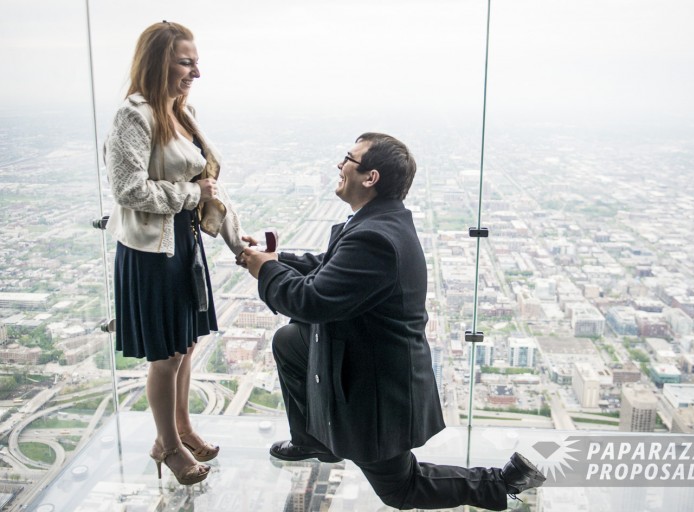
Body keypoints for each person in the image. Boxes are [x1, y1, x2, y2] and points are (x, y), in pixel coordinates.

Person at [239, 133, 545, 510]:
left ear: (370, 177)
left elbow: (313, 300)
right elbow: (328, 269)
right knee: (290, 340)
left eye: (348, 158)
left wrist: (266, 271)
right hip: (364, 355)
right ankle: (314, 441)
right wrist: (275, 259)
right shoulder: (376, 222)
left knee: (402, 489)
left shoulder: (375, 238)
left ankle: (504, 482)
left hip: (380, 387)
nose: (340, 165)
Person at [104, 21, 249, 485]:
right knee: (165, 355)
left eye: (195, 62)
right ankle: (167, 447)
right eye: (186, 62)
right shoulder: (134, 116)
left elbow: (210, 188)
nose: (195, 72)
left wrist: (236, 240)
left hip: (183, 243)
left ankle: (181, 428)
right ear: (157, 62)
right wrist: (189, 195)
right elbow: (128, 190)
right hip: (152, 252)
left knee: (186, 346)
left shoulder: (182, 113)